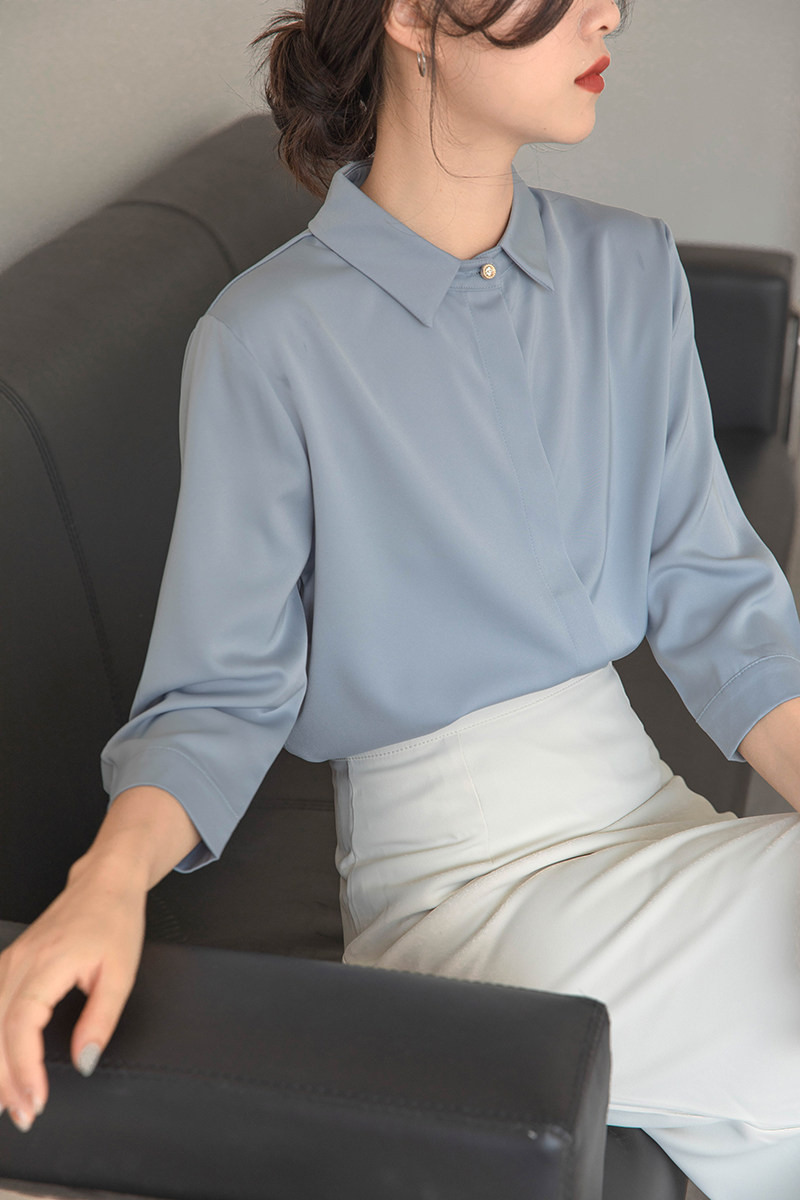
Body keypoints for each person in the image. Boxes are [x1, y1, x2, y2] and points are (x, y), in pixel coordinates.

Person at [2, 0, 800, 1193]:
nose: (607, 13)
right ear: (417, 18)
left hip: (647, 821)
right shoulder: (267, 341)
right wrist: (103, 884)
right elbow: (218, 694)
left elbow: (719, 602)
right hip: (460, 899)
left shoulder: (628, 269)